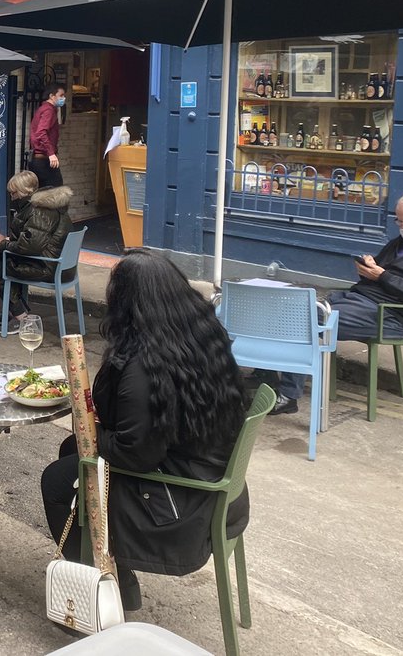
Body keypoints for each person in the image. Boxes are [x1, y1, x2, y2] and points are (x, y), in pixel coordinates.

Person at [40, 249, 249, 611]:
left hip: (180, 503)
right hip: (212, 483)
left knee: (58, 480)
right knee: (71, 453)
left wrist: (85, 427)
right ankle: (118, 577)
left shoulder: (143, 366)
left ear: (126, 304)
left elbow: (136, 454)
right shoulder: (200, 339)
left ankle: (96, 593)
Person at [269, 188, 403, 416]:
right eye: (399, 221)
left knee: (307, 317)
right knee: (288, 306)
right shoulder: (401, 241)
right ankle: (265, 374)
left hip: (392, 315)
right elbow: (381, 273)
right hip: (362, 299)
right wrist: (369, 268)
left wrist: (382, 275)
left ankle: (288, 396)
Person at [0, 170, 40, 329]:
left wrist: (3, 243)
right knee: (0, 263)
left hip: (39, 263)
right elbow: (31, 239)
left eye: (13, 193)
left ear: (23, 192)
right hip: (39, 257)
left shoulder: (34, 211)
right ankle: (14, 311)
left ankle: (21, 317)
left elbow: (29, 246)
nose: (11, 196)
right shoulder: (33, 207)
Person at [30, 84, 68, 189]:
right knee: (56, 193)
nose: (63, 98)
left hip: (39, 159)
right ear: (52, 96)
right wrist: (51, 154)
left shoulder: (44, 109)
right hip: (44, 160)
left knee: (43, 192)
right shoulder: (49, 111)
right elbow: (41, 132)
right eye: (61, 95)